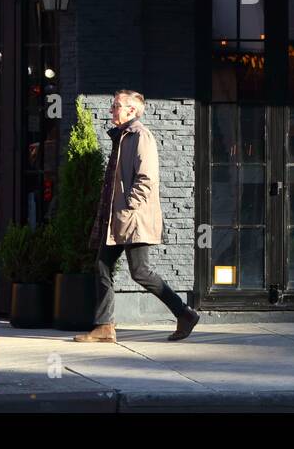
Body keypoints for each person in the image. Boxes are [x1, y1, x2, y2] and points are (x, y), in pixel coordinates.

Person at [73, 90, 200, 344]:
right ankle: (105, 327)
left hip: (133, 218)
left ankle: (184, 313)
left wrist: (128, 206)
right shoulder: (123, 137)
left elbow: (147, 178)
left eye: (116, 106)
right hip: (121, 216)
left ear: (132, 111)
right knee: (102, 265)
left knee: (140, 271)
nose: (112, 110)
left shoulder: (141, 136)